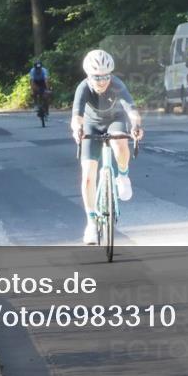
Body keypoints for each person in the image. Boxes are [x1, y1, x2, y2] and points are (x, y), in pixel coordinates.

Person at [70, 49, 144, 245]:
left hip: (114, 120)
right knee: (88, 176)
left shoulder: (117, 84)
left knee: (120, 143)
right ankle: (91, 223)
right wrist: (77, 129)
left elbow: (131, 110)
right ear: (89, 75)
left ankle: (123, 176)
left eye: (105, 76)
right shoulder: (83, 88)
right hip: (91, 125)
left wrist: (136, 125)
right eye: (97, 77)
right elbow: (76, 117)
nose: (102, 81)